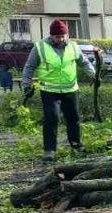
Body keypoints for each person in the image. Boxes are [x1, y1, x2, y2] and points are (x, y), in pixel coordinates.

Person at [20, 20, 96, 161]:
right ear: (51, 36)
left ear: (66, 35)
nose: (60, 39)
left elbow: (84, 62)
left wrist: (94, 75)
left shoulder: (73, 46)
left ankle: (76, 145)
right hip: (49, 90)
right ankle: (49, 150)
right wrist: (26, 84)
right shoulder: (40, 47)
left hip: (70, 89)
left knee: (73, 117)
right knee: (52, 118)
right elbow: (29, 67)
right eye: (57, 37)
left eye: (62, 36)